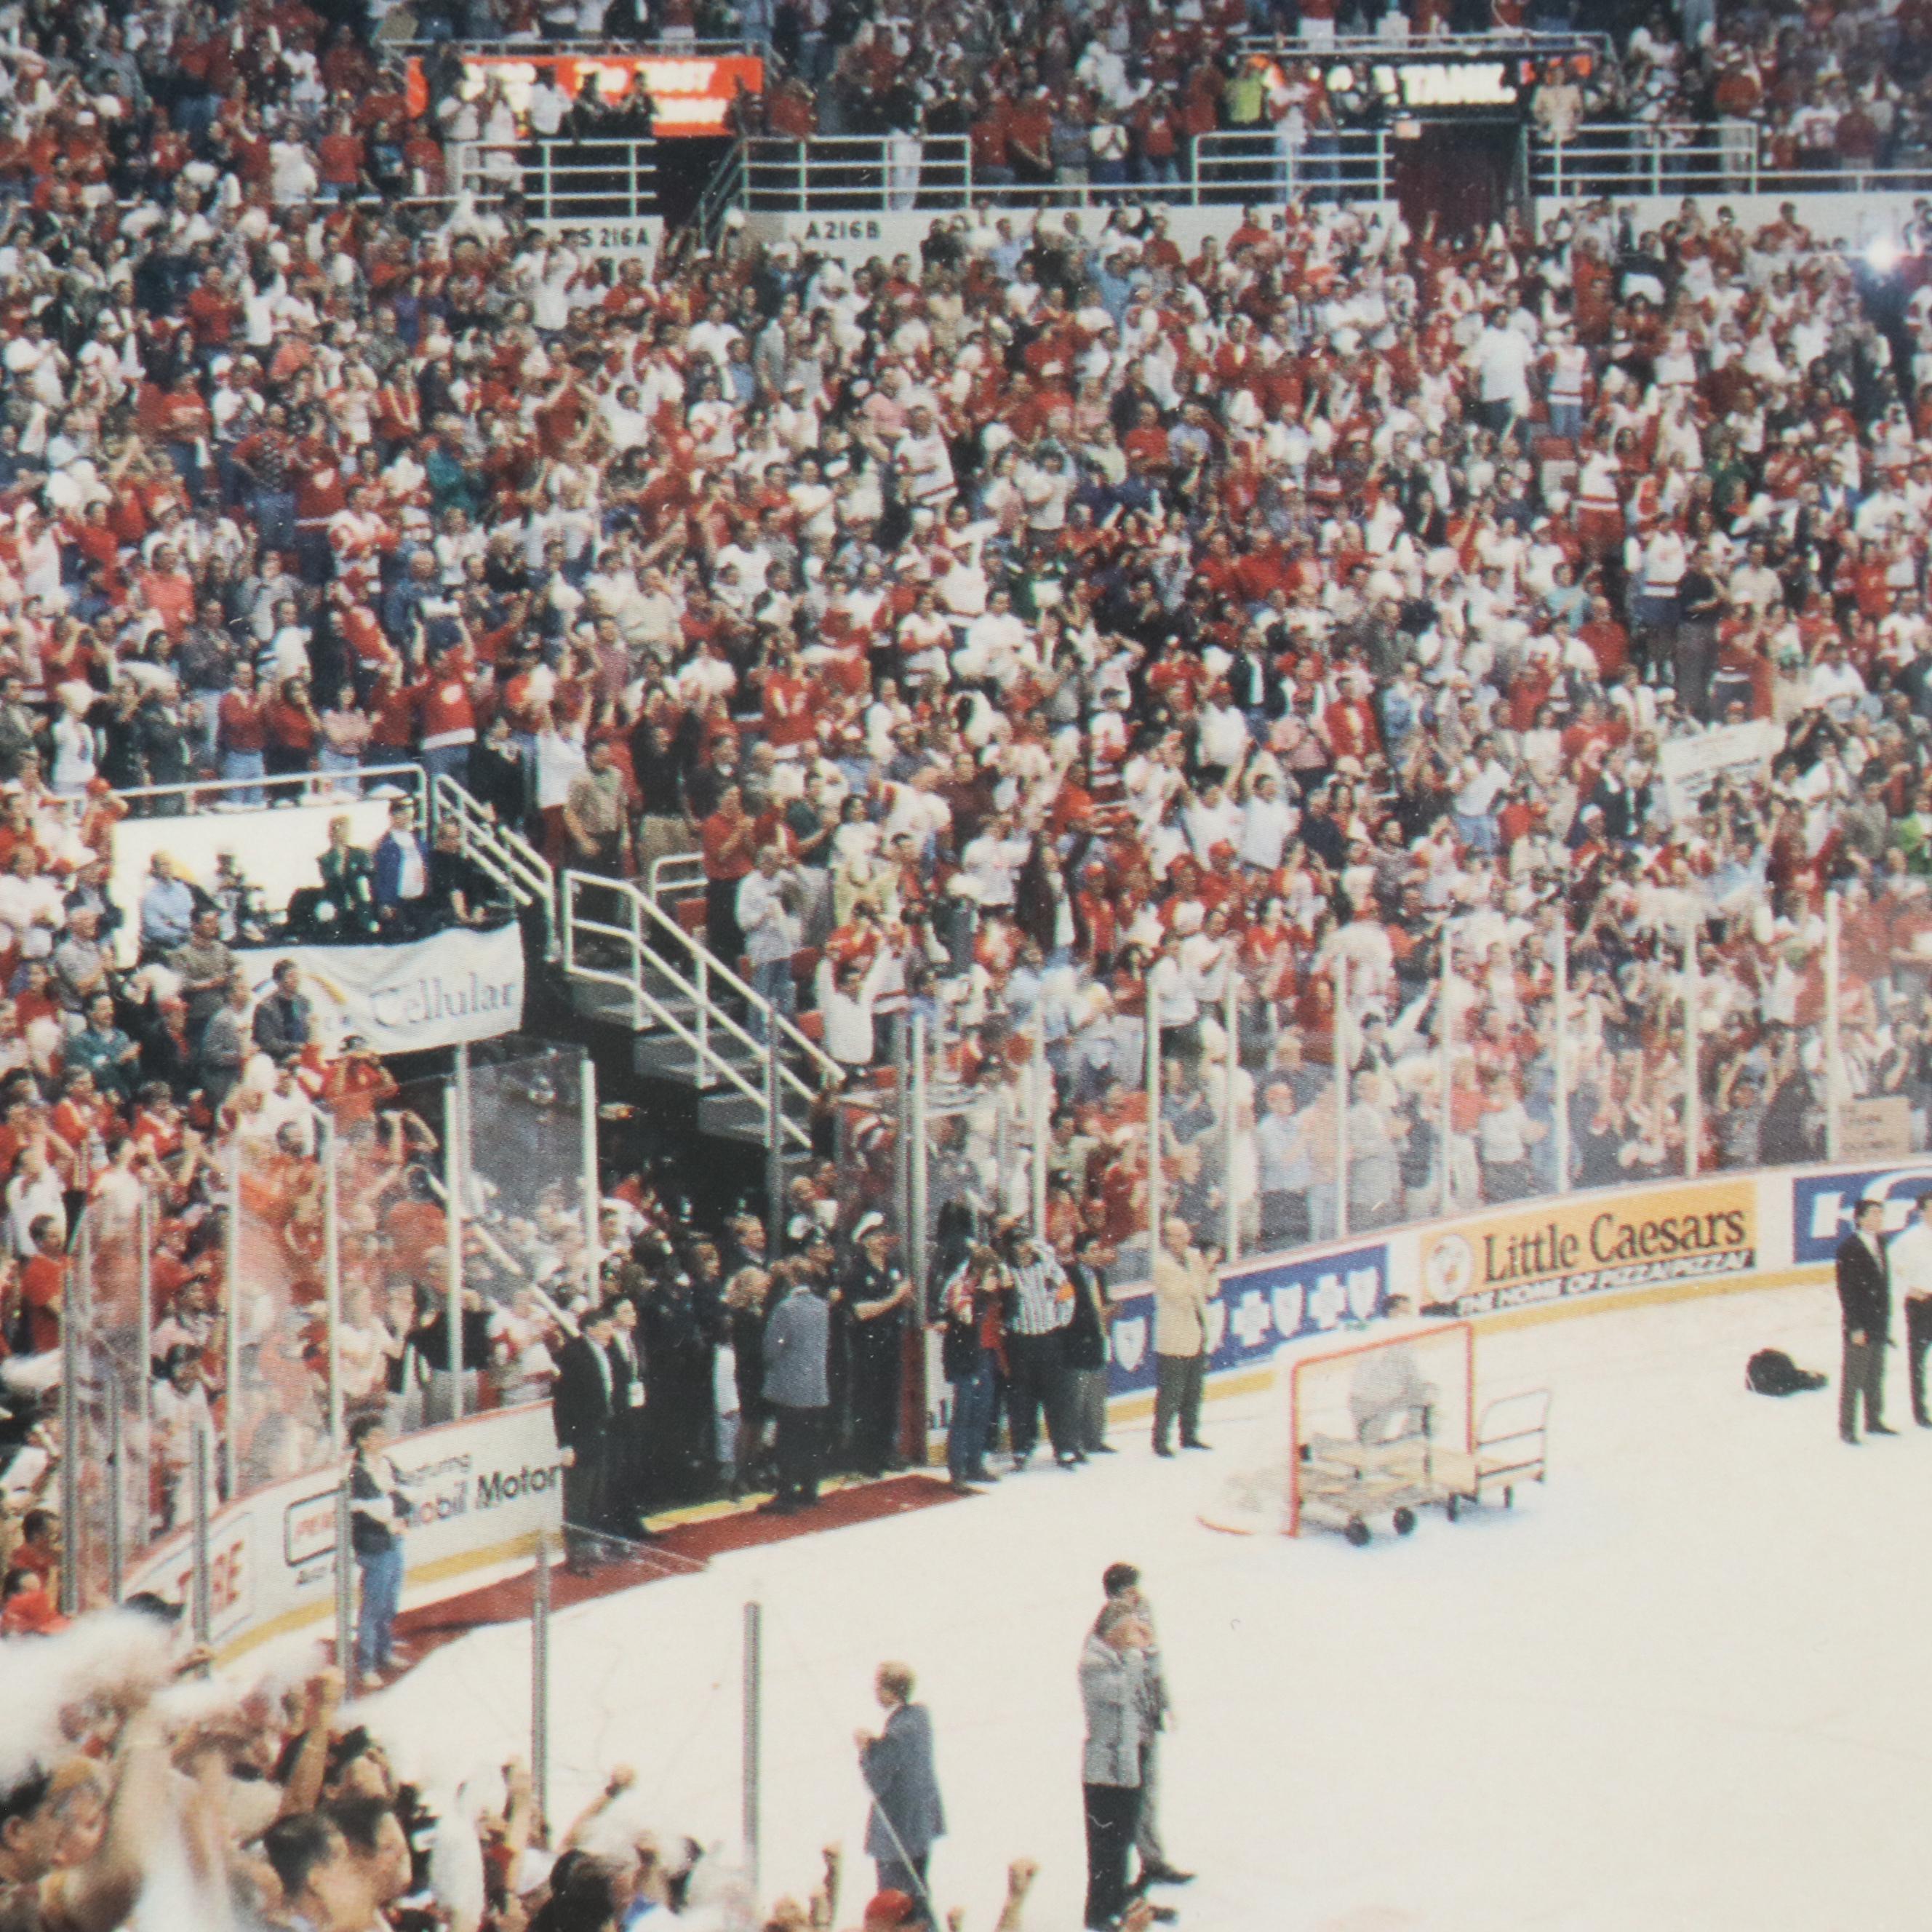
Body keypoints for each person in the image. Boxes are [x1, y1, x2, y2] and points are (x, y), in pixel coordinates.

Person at [1099, 1564, 1192, 1893]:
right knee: (1127, 1804)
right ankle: (1118, 1880)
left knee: (1148, 1798)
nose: (1137, 1594)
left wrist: (1163, 1704)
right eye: (1129, 1590)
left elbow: (1154, 1663)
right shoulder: (1110, 1629)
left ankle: (1153, 1862)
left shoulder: (1143, 1614)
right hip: (1124, 1731)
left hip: (1146, 1723)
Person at [1079, 1599, 1154, 1932]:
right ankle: (1098, 1912)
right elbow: (1122, 1692)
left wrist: (1149, 1647)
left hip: (1126, 1762)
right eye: (1128, 1629)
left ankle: (1117, 1899)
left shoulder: (1122, 1656)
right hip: (1105, 1770)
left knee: (1122, 1839)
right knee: (1105, 1845)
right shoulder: (1093, 1661)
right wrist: (1138, 1654)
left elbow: (1148, 1679)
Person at [858, 1661, 946, 1906]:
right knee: (917, 1893)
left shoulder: (900, 1730)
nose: (875, 1693)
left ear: (889, 1690)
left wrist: (866, 1748)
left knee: (896, 1900)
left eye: (878, 1687)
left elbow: (877, 1776)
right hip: (919, 1826)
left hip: (898, 1831)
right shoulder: (919, 1719)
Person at [1002, 1224, 1079, 1470]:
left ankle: (1065, 1448)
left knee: (1058, 1396)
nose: (1022, 1249)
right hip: (1021, 1342)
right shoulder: (1006, 1271)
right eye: (1017, 1245)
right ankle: (1022, 1448)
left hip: (1049, 1339)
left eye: (1025, 1243)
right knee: (1021, 1398)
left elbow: (1066, 1291)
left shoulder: (1046, 1266)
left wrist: (1062, 1319)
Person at [347, 1415, 415, 1684]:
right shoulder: (358, 1472)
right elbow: (381, 1510)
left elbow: (409, 1497)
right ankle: (366, 1664)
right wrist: (393, 1503)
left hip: (394, 1538)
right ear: (362, 1441)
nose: (382, 1439)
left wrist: (394, 1503)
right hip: (374, 1544)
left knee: (389, 1601)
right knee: (374, 1604)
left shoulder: (388, 1464)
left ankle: (384, 1651)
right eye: (376, 1435)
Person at [553, 1303, 620, 1572]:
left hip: (600, 1430)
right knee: (578, 1497)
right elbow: (564, 1405)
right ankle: (575, 1555)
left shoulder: (604, 1353)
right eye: (605, 1329)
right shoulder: (573, 1355)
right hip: (580, 1435)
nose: (610, 1334)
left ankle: (591, 1546)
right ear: (590, 1329)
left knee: (597, 1493)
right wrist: (566, 1444)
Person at [845, 1213, 911, 1477]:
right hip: (867, 1343)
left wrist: (906, 1298)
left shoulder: (895, 1266)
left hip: (891, 1339)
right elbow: (861, 1311)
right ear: (865, 1241)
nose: (885, 1240)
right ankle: (866, 1457)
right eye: (878, 1235)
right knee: (867, 1400)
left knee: (888, 1398)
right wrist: (895, 1298)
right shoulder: (857, 1273)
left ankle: (886, 1451)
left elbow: (904, 1297)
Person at [760, 1264, 831, 1513]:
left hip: (791, 1385)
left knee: (787, 1441)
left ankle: (786, 1494)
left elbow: (772, 1348)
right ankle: (810, 1489)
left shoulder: (786, 1309)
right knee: (810, 1439)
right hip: (816, 1384)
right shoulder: (822, 1306)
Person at [1150, 1216, 1217, 1456]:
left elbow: (1210, 1290)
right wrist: (1201, 1273)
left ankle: (1189, 1435)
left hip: (1197, 1331)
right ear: (1165, 1239)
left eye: (1181, 1235)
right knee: (1171, 1392)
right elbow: (1177, 1294)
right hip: (1174, 1336)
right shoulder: (1162, 1264)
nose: (1177, 1240)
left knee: (1193, 1389)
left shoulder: (1194, 1258)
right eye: (1172, 1235)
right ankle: (1160, 1440)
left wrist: (1209, 1270)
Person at [1836, 1197, 1896, 1445]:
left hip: (1879, 1321)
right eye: (1872, 1215)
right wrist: (1855, 1327)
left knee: (1875, 1374)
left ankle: (1874, 1420)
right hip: (1860, 1323)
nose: (1878, 1219)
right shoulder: (1849, 1248)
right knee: (1854, 1377)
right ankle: (1847, 1427)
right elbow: (1847, 1292)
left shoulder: (1881, 1242)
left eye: (1880, 1215)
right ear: (1859, 1219)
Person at [1893, 1192, 1932, 1428]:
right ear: (1919, 1212)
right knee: (1918, 1359)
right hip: (1921, 1304)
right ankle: (1921, 1411)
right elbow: (1893, 1271)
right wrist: (1908, 1290)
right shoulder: (1907, 1240)